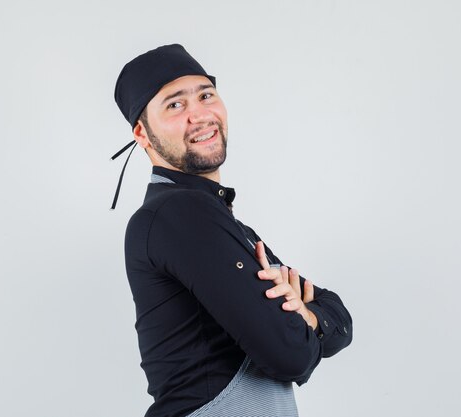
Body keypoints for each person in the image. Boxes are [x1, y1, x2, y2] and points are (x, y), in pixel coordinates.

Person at [112, 44, 353, 417]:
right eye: (175, 105)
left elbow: (340, 317)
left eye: (206, 95)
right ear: (142, 134)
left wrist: (309, 318)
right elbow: (290, 354)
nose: (200, 115)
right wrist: (307, 319)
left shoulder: (221, 221)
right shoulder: (178, 212)